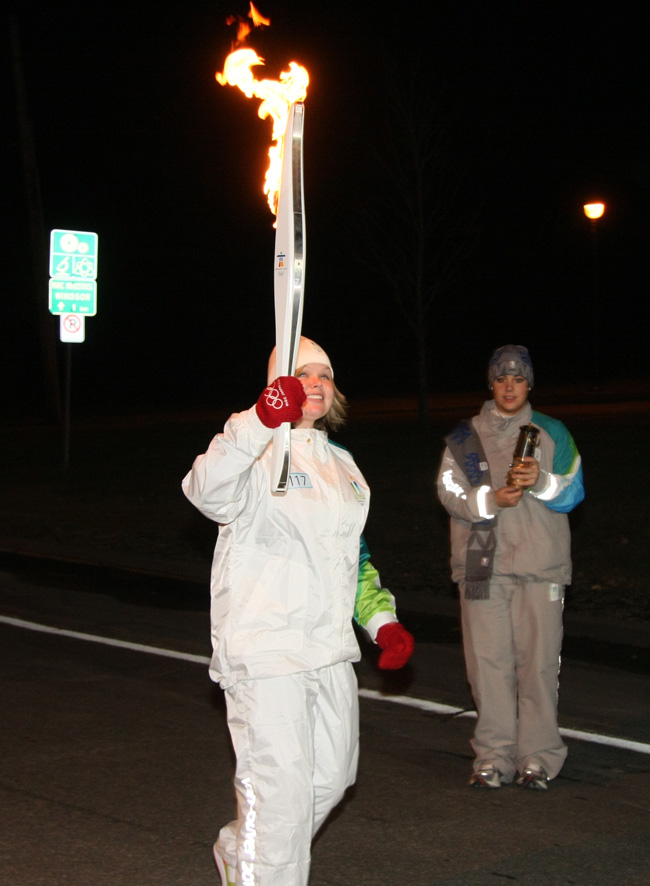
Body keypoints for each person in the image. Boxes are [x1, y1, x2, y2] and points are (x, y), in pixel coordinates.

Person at [182, 336, 414, 886]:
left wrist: (383, 622)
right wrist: (261, 419)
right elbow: (204, 489)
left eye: (325, 374)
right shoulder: (255, 451)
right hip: (267, 651)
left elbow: (351, 558)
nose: (316, 381)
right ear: (277, 385)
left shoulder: (346, 467)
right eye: (302, 373)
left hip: (329, 650)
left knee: (332, 780)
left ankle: (246, 854)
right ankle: (263, 870)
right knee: (279, 798)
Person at [436, 344, 584, 791]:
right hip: (482, 566)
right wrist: (492, 500)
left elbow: (574, 491)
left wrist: (538, 481)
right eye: (501, 379)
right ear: (490, 383)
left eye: (518, 379)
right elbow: (448, 492)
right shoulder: (463, 437)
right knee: (488, 665)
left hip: (542, 567)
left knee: (537, 665)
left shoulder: (553, 432)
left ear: (529, 384)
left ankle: (538, 757)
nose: (509, 387)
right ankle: (493, 758)